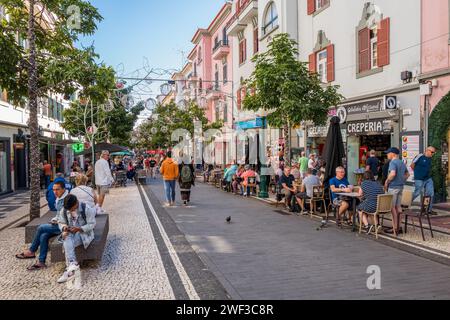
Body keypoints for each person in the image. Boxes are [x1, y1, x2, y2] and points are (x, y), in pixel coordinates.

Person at [15, 180, 69, 270]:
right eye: (53, 190)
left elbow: (68, 217)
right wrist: (55, 219)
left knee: (41, 228)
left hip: (65, 227)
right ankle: (41, 262)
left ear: (63, 189)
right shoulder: (60, 197)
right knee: (43, 236)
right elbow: (59, 214)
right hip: (59, 223)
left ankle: (32, 251)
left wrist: (58, 221)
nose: (55, 192)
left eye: (57, 189)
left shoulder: (66, 199)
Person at [56, 195, 96, 283]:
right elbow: (60, 222)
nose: (70, 211)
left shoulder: (86, 208)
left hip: (84, 234)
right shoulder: (65, 209)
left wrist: (79, 229)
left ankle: (70, 269)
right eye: (69, 209)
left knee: (67, 241)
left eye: (72, 209)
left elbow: (92, 224)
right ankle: (73, 265)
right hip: (71, 233)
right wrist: (64, 227)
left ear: (76, 202)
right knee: (66, 236)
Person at [384, 147, 409, 235]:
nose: (387, 154)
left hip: (393, 187)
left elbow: (393, 173)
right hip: (400, 187)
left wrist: (387, 181)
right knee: (398, 207)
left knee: (392, 207)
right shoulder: (401, 162)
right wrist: (402, 180)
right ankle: (400, 226)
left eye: (388, 153)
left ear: (393, 154)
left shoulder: (393, 162)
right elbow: (407, 174)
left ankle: (395, 227)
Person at [411, 146, 436, 212]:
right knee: (417, 192)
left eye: (434, 153)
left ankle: (427, 209)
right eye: (432, 152)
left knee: (430, 193)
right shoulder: (420, 156)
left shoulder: (430, 158)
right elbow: (412, 165)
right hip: (419, 178)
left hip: (428, 178)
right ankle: (404, 203)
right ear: (427, 150)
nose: (433, 154)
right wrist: (417, 173)